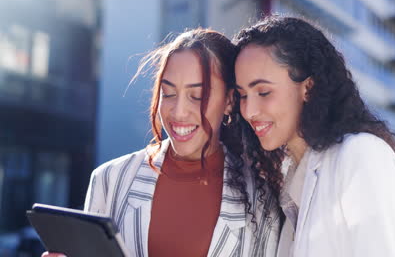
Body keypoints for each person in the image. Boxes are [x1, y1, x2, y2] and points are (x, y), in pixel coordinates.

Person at [42, 28, 280, 257]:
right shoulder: (109, 179)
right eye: (168, 94)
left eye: (197, 96)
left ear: (229, 101)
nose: (178, 112)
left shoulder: (262, 200)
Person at [233, 16, 395, 256]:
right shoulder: (289, 180)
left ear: (308, 88)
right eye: (242, 95)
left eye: (263, 91)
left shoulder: (361, 155)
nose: (249, 111)